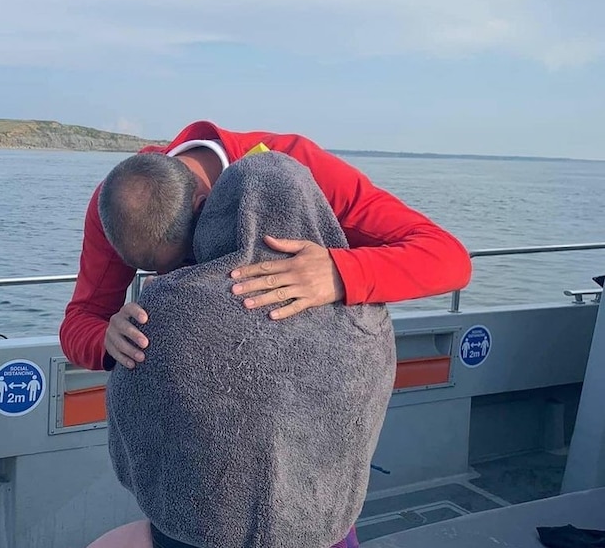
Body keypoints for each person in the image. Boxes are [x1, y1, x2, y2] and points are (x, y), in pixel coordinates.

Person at [104, 151, 398, 548]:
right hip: (324, 531)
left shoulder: (161, 310)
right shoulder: (367, 316)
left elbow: (129, 453)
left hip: (197, 536)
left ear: (212, 214)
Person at [59, 120, 472, 372]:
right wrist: (106, 341)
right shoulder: (118, 202)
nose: (182, 275)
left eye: (186, 260)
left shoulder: (299, 169)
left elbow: (448, 257)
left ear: (204, 206)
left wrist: (337, 272)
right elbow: (79, 320)